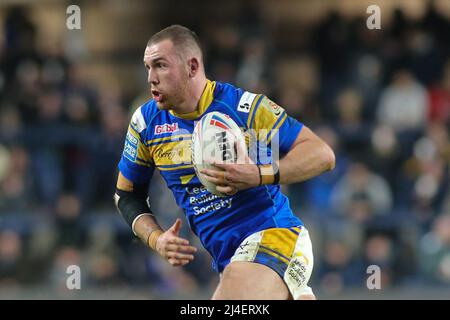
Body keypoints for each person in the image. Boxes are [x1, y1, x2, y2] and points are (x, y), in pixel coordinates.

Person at [114, 25, 335, 300]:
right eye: (148, 67)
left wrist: (258, 174)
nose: (151, 78)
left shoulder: (244, 108)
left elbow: (322, 155)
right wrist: (156, 238)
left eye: (160, 65)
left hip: (275, 237)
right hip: (231, 261)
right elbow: (126, 194)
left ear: (192, 66)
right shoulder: (146, 124)